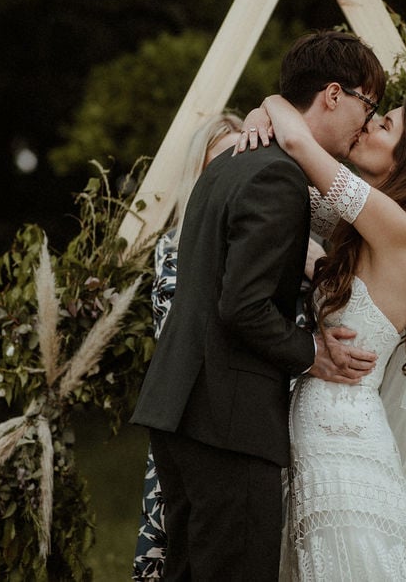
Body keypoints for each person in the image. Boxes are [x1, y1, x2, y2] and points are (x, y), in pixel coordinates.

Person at [130, 30, 387, 581]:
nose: (367, 122)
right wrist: (311, 352)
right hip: (228, 419)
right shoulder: (277, 176)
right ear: (334, 94)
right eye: (368, 104)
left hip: (179, 408)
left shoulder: (230, 165)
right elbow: (241, 307)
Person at [240, 93, 406, 580]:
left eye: (383, 126)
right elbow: (290, 205)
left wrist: (269, 101)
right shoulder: (368, 227)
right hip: (320, 430)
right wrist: (252, 121)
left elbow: (294, 140)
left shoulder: (401, 230)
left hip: (342, 439)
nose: (366, 128)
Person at [132, 113, 327, 581]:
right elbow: (236, 313)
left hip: (237, 414)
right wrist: (313, 352)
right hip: (215, 413)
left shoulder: (284, 237)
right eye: (221, 163)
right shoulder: (177, 249)